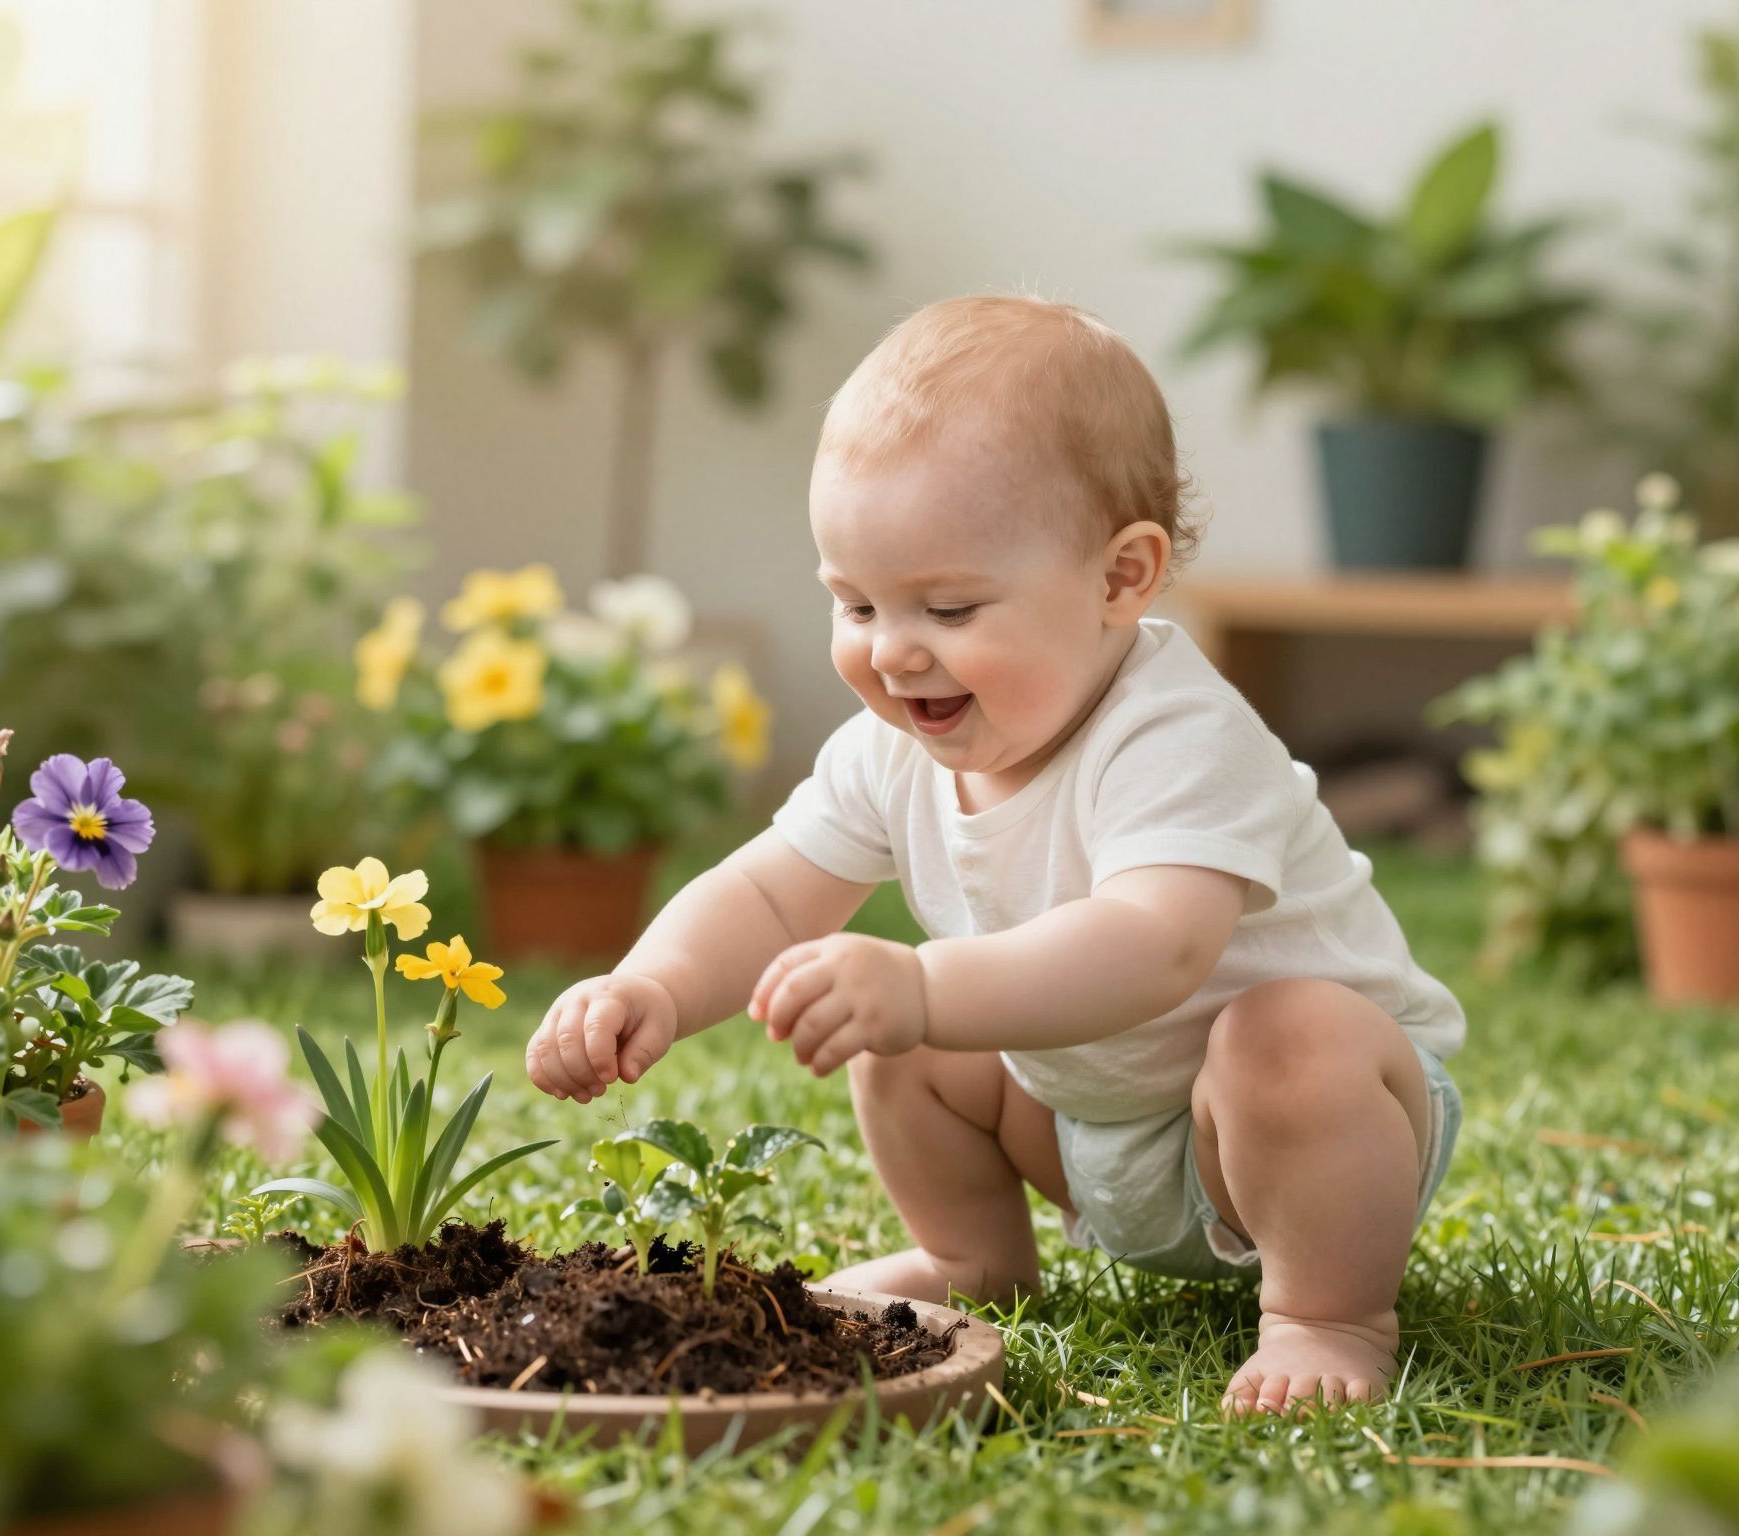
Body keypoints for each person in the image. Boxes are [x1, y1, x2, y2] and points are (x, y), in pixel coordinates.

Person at [524, 295, 1466, 1416]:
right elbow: (771, 892)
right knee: (901, 1035)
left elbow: (1152, 949)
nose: (891, 649)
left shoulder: (1177, 735)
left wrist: (922, 985)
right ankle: (971, 1258)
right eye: (855, 601)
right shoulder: (889, 750)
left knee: (1285, 1032)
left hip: (1305, 1131)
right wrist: (653, 984)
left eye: (951, 606)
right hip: (1086, 1127)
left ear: (1121, 578)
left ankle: (1326, 1314)